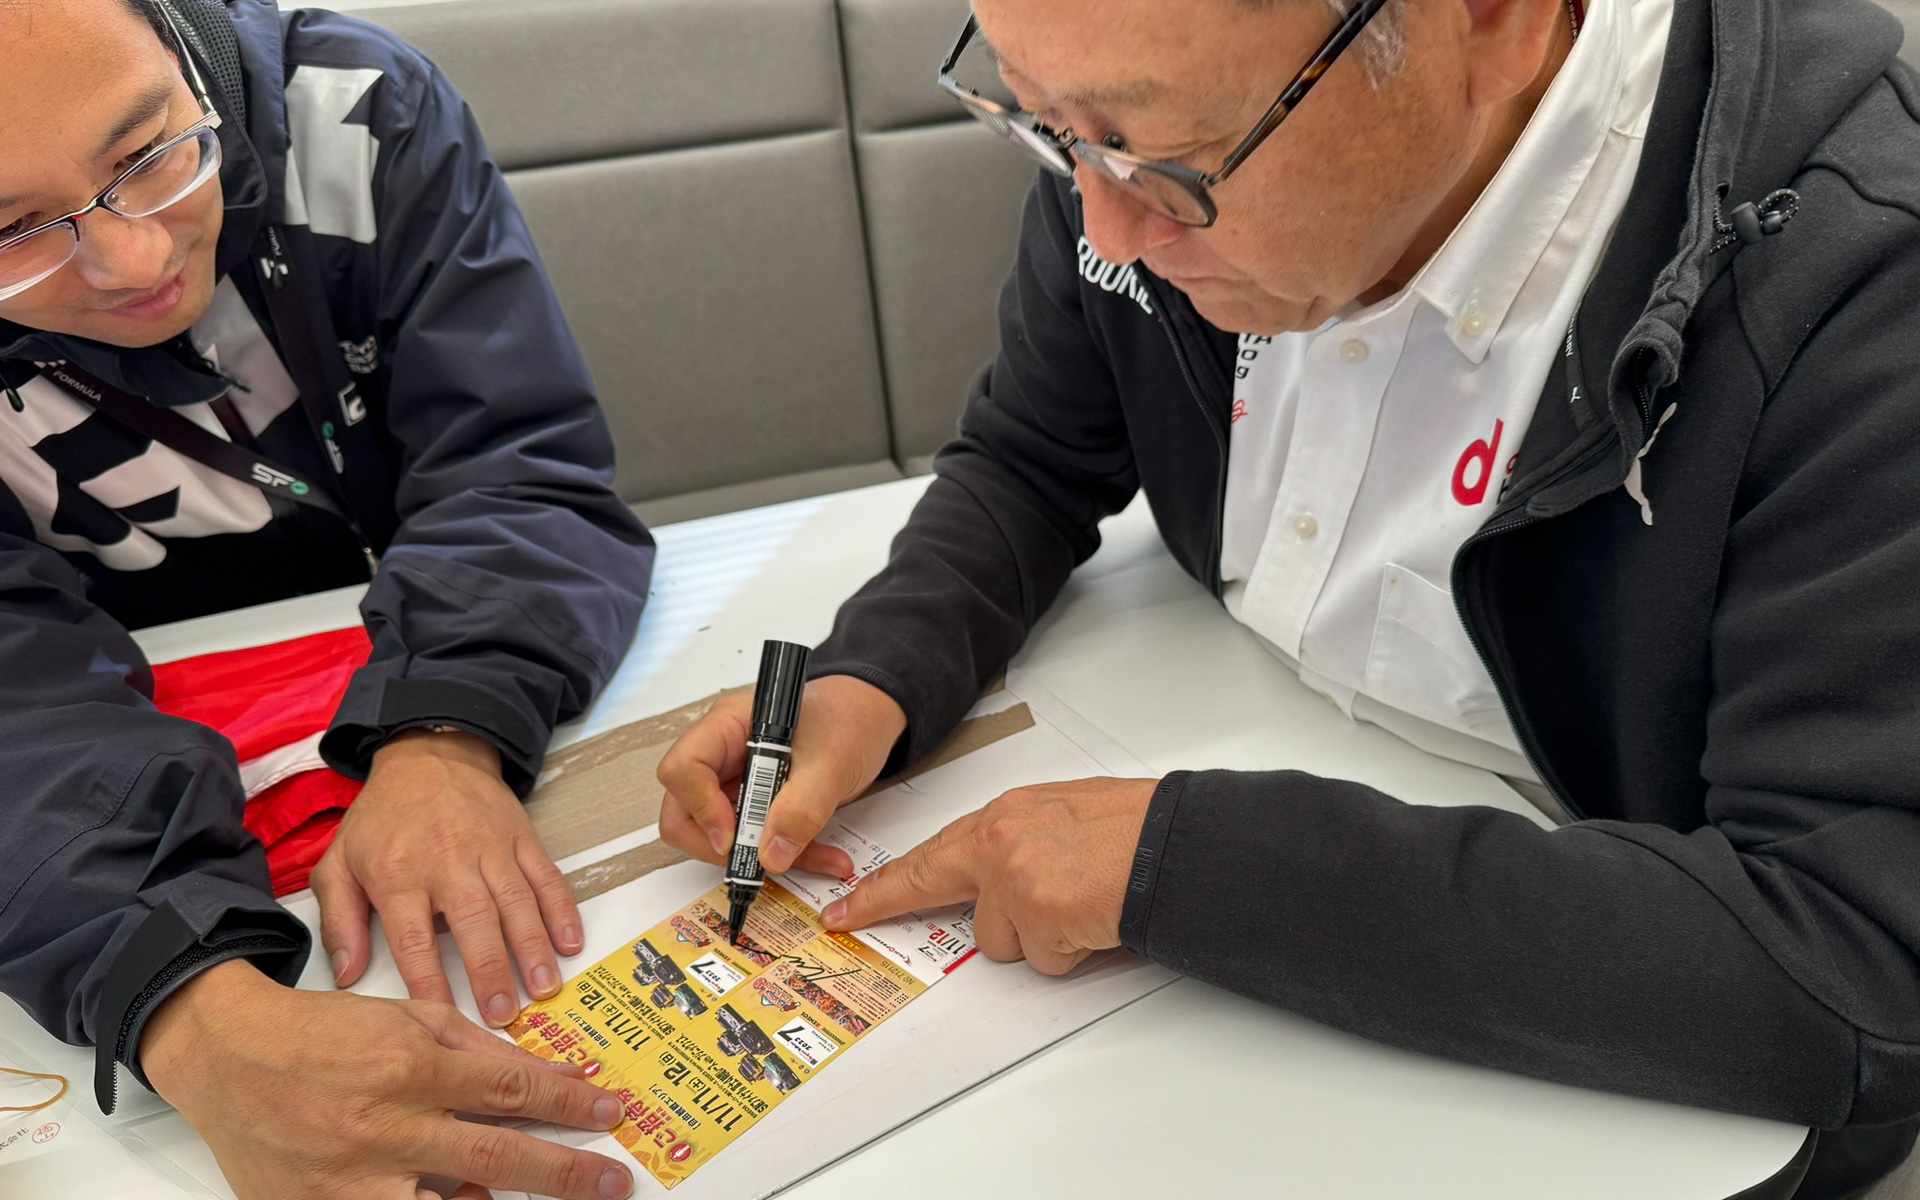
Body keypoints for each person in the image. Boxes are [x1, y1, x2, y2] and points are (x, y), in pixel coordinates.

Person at [657, 0, 1920, 1194]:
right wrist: (873, 670)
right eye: (1044, 123)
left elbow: (1858, 964)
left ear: (1493, 22)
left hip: (1614, 1065)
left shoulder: (1861, 291)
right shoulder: (1131, 119)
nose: (1107, 229)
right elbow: (1036, 454)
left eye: (1169, 159)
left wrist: (1188, 864)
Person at [0, 0, 654, 1196]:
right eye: (9, 231)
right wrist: (180, 1002)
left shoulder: (355, 108)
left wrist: (444, 733)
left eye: (149, 154)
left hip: (445, 668)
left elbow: (518, 462)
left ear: (190, 53)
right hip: (105, 779)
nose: (136, 260)